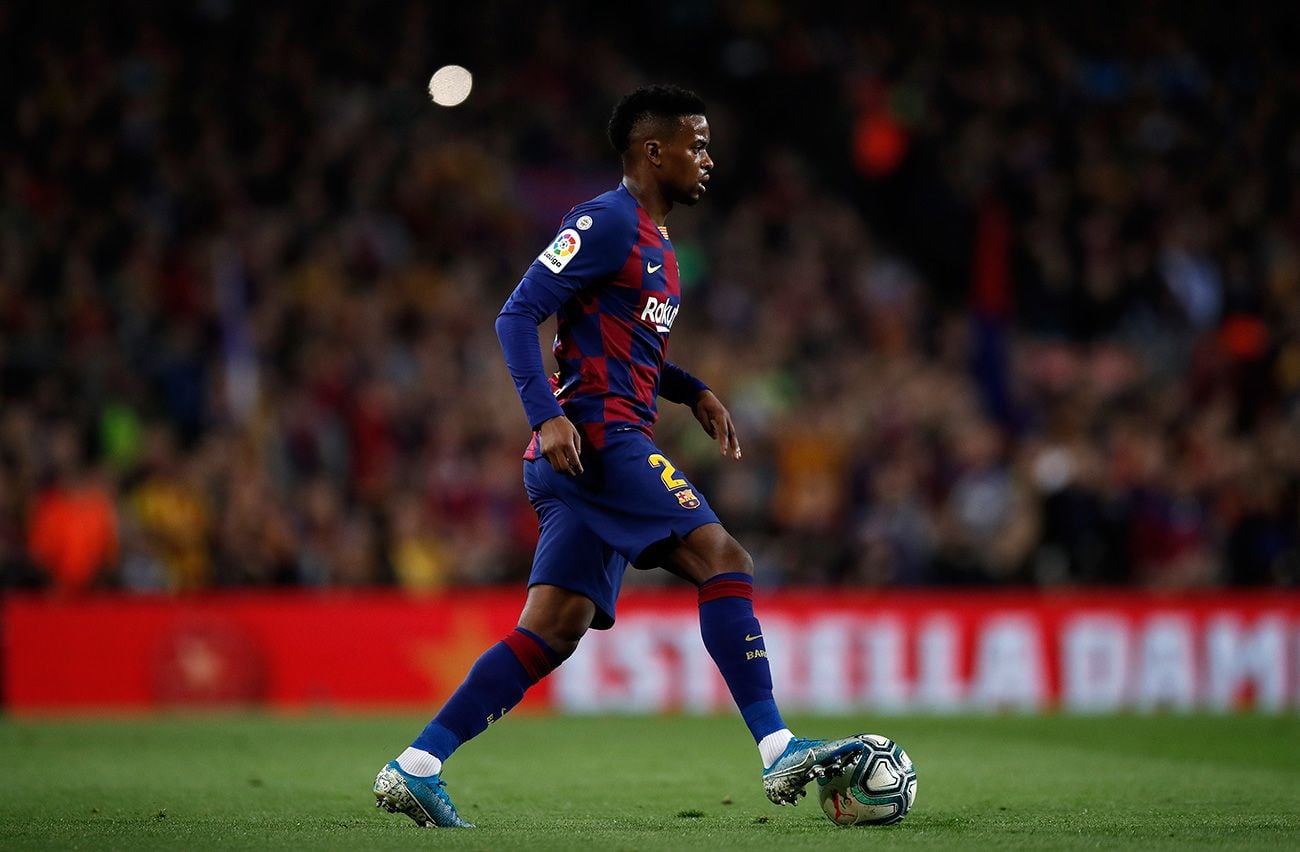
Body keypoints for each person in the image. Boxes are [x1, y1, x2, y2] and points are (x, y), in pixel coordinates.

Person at [374, 84, 865, 829]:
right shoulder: (605, 221)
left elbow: (625, 346)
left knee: (555, 627)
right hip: (599, 439)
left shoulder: (661, 246)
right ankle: (778, 749)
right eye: (697, 145)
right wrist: (547, 417)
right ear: (653, 152)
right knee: (724, 559)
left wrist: (691, 390)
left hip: (591, 448)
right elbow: (516, 315)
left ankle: (416, 765)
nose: (708, 159)